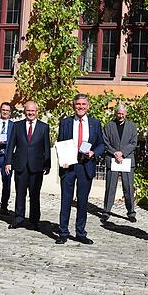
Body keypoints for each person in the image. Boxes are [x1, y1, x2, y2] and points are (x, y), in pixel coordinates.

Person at [56, 94, 105, 244]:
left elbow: (102, 145)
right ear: (73, 106)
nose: (81, 107)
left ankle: (80, 232)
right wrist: (62, 160)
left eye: (83, 104)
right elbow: (60, 143)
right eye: (78, 104)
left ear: (88, 106)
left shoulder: (95, 124)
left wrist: (93, 153)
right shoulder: (65, 123)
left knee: (82, 201)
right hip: (69, 166)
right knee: (66, 200)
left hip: (86, 166)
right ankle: (63, 232)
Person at [4, 101, 50, 230]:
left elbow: (46, 147)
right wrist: (8, 162)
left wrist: (48, 165)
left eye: (33, 111)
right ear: (25, 112)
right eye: (28, 111)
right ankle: (18, 218)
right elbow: (11, 144)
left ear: (37, 112)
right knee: (20, 193)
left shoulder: (44, 127)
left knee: (35, 194)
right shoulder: (17, 126)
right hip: (20, 165)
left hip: (37, 166)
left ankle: (34, 220)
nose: (30, 113)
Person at [101, 104, 138, 223]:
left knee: (128, 187)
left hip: (127, 159)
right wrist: (115, 152)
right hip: (113, 159)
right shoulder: (108, 126)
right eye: (119, 113)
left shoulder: (132, 126)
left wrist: (122, 153)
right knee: (110, 187)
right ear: (115, 113)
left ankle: (131, 212)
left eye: (123, 113)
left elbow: (133, 143)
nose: (121, 115)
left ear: (126, 114)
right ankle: (106, 211)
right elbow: (105, 142)